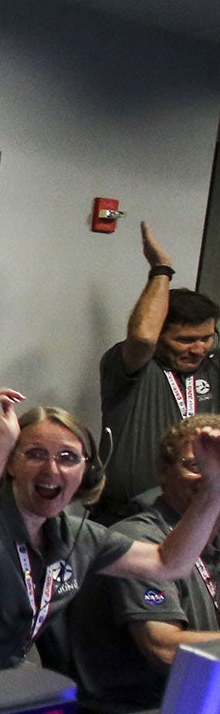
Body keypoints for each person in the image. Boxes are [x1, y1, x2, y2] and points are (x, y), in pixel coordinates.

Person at [0, 394, 220, 688]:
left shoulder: (80, 535)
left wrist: (214, 486)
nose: (52, 470)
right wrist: (3, 441)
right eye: (34, 454)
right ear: (11, 465)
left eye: (68, 458)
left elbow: (170, 562)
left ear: (87, 471)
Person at [56, 415, 220, 714]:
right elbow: (165, 649)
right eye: (196, 466)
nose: (210, 477)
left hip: (197, 707)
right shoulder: (140, 539)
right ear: (163, 472)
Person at [97, 222, 219, 523]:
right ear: (161, 335)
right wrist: (161, 269)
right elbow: (142, 338)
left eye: (206, 337)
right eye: (185, 339)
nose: (199, 348)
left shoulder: (213, 368)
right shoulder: (132, 366)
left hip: (198, 516)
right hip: (127, 518)